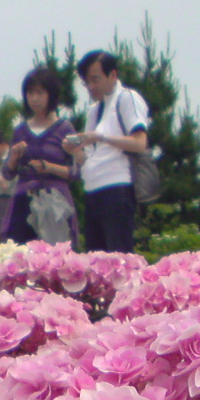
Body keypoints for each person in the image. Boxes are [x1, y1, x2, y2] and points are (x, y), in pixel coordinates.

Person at [63, 50, 150, 253]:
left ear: (113, 75)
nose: (92, 87)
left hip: (117, 188)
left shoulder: (127, 98)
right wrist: (75, 150)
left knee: (118, 257)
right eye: (87, 82)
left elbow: (140, 142)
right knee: (95, 261)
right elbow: (89, 159)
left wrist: (100, 137)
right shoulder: (95, 110)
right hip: (93, 190)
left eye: (96, 79)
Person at [1, 68, 79, 246]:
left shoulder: (64, 128)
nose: (34, 98)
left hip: (55, 204)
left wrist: (49, 167)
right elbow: (7, 173)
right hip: (23, 203)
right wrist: (13, 157)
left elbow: (76, 171)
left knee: (56, 260)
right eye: (30, 93)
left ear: (51, 95)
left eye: (40, 93)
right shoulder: (20, 130)